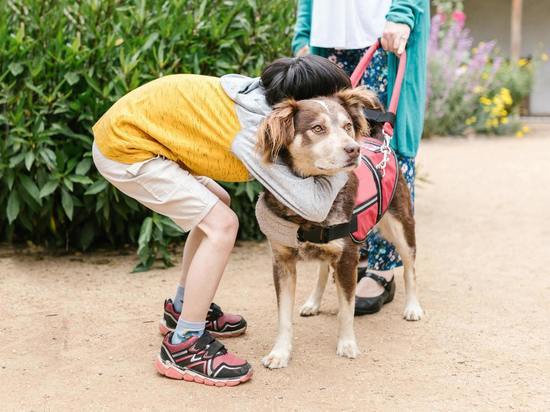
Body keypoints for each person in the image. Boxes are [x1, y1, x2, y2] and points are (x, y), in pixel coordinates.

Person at [91, 55, 352, 386]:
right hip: (126, 148)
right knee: (222, 224)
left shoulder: (262, 96)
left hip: (138, 137)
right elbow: (313, 208)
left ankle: (181, 309)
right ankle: (184, 345)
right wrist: (350, 161)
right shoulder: (258, 131)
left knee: (217, 203)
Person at [292, 0, 430, 316]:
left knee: (383, 153)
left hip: (383, 33)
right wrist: (303, 34)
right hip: (328, 40)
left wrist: (402, 13)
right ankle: (357, 254)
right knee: (334, 151)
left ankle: (382, 268)